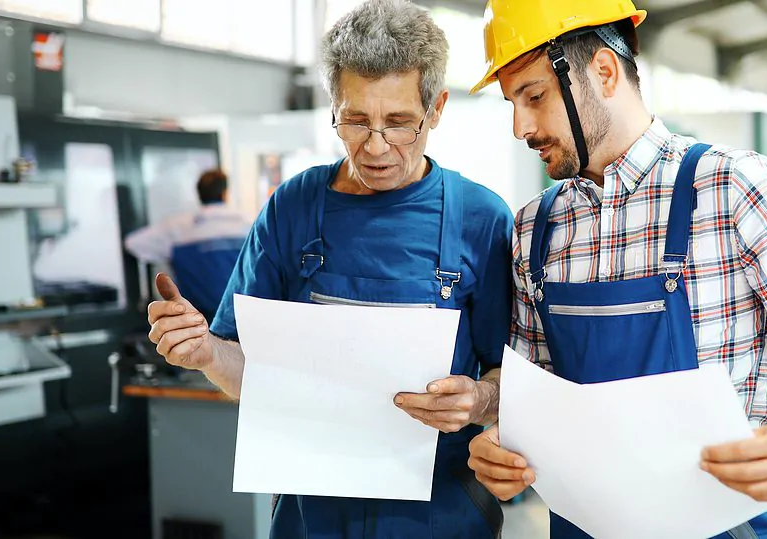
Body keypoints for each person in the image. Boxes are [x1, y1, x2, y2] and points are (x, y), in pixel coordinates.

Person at [465, 1, 767, 538]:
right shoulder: (535, 227)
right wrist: (504, 444)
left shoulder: (730, 186)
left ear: (604, 72)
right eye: (512, 103)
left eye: (534, 97)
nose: (520, 127)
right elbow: (538, 387)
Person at [143, 1, 513, 537]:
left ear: (436, 109)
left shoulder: (481, 219)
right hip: (310, 514)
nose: (376, 147)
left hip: (439, 510)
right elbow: (248, 369)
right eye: (355, 120)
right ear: (333, 108)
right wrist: (205, 353)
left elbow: (511, 381)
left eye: (399, 123)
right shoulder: (292, 207)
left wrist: (479, 399)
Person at [124, 169, 252, 322]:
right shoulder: (249, 224)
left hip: (196, 319)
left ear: (199, 194)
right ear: (225, 193)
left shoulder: (178, 228)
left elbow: (133, 243)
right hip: (241, 316)